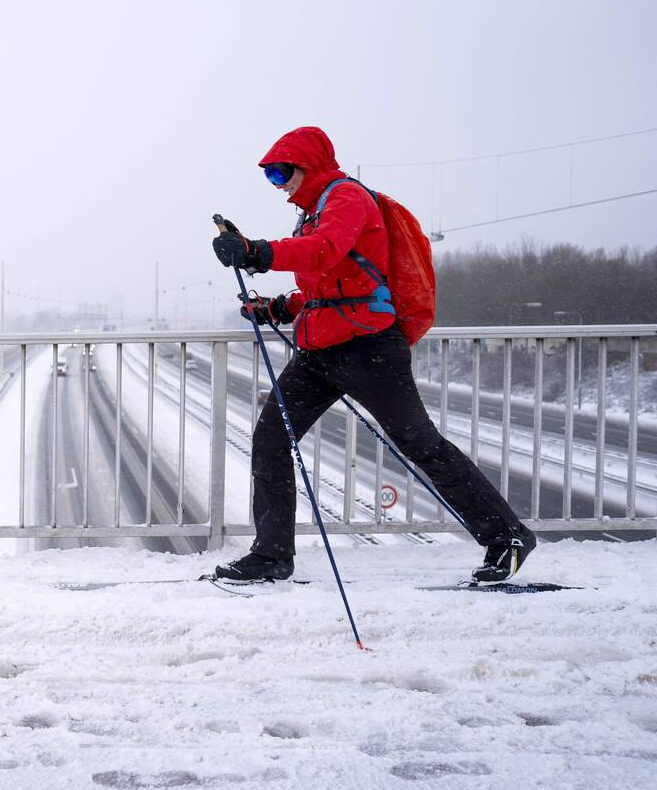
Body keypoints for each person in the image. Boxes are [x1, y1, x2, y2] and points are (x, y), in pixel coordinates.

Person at [210, 125, 536, 583]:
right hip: (320, 350)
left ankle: (508, 536)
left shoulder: (347, 199)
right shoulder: (311, 213)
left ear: (310, 165)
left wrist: (255, 252)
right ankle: (272, 554)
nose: (278, 183)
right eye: (270, 176)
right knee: (270, 439)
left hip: (368, 347)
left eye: (282, 171)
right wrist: (277, 307)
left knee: (419, 443)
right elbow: (327, 286)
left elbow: (324, 253)